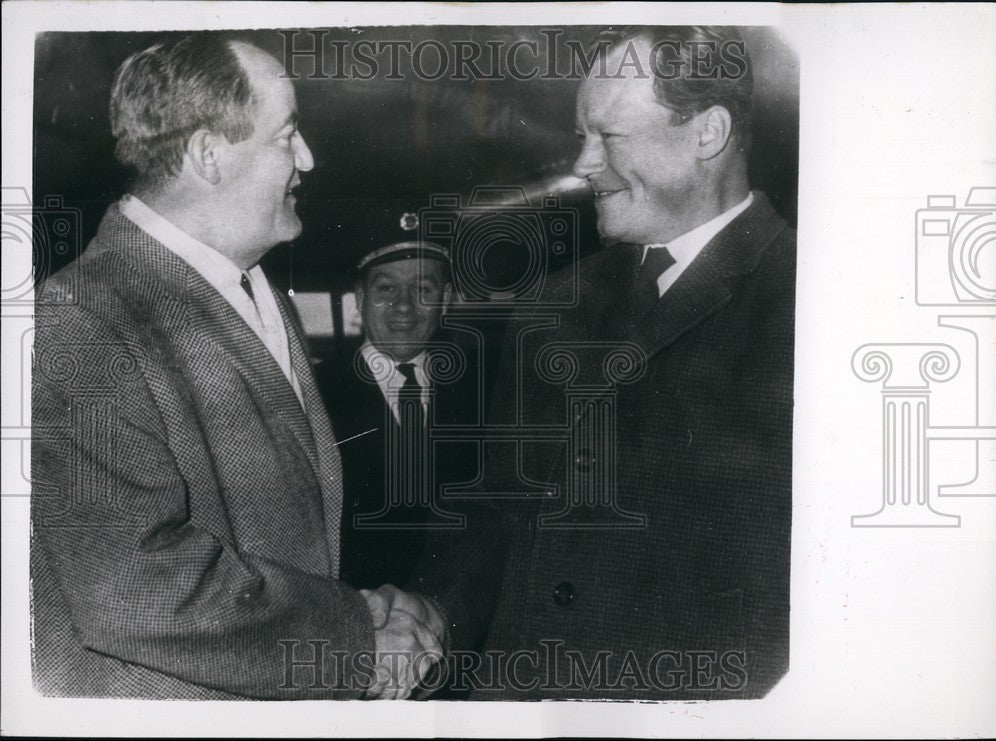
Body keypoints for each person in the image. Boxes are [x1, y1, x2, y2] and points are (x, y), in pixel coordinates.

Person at [31, 33, 444, 700]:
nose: (308, 158)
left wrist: (360, 612)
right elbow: (134, 587)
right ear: (207, 154)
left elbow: (272, 534)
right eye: (288, 136)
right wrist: (354, 640)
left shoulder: (252, 287)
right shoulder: (78, 321)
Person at [403, 26, 796, 700]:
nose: (583, 165)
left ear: (708, 133)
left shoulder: (810, 302)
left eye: (608, 137)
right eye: (583, 136)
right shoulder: (555, 299)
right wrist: (433, 620)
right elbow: (498, 509)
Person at [317, 237, 480, 591]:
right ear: (360, 299)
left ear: (446, 299)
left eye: (422, 288)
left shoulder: (483, 393)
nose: (403, 306)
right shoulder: (313, 393)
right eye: (387, 287)